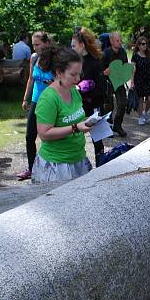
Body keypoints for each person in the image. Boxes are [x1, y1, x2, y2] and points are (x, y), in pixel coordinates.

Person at [31, 46, 94, 183]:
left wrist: (90, 122)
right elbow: (44, 134)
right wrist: (75, 127)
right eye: (73, 74)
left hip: (78, 159)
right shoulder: (48, 98)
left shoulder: (74, 91)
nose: (78, 79)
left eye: (79, 74)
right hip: (56, 166)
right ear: (59, 73)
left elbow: (76, 119)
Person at [18, 31, 54, 181]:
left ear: (46, 43)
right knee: (29, 136)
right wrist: (25, 98)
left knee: (49, 137)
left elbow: (60, 80)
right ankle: (32, 168)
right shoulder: (34, 57)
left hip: (50, 101)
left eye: (38, 44)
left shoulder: (54, 58)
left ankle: (53, 168)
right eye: (33, 44)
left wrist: (50, 83)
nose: (35, 47)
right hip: (36, 100)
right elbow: (31, 80)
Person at [72, 27, 107, 160]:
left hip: (94, 106)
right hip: (78, 106)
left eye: (73, 46)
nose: (72, 48)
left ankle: (101, 164)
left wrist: (85, 91)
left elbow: (102, 88)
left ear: (82, 45)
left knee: (97, 138)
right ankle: (77, 164)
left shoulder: (95, 62)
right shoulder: (75, 62)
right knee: (75, 135)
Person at [102, 32, 129, 137]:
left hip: (119, 81)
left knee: (122, 103)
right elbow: (100, 70)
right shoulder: (105, 53)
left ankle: (117, 125)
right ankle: (107, 126)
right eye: (117, 40)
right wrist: (105, 71)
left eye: (120, 40)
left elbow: (125, 64)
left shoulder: (123, 51)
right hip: (108, 82)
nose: (120, 42)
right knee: (109, 106)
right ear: (111, 41)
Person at [130, 36, 150, 125]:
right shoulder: (135, 56)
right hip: (139, 80)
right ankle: (140, 116)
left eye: (146, 44)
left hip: (149, 79)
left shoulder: (149, 54)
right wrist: (132, 82)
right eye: (143, 44)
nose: (145, 46)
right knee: (140, 99)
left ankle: (145, 112)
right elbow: (132, 69)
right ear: (138, 45)